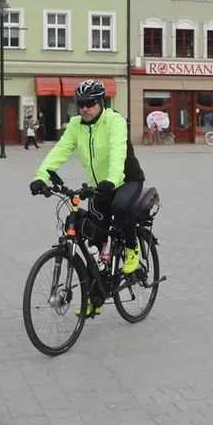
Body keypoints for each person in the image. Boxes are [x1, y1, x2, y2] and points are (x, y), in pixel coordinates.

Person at [30, 79, 146, 283]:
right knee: (93, 237)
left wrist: (111, 179)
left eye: (90, 103)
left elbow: (117, 152)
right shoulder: (76, 125)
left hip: (126, 180)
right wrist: (41, 176)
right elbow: (60, 150)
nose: (85, 109)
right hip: (100, 187)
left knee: (120, 206)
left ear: (101, 102)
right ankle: (95, 297)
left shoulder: (114, 121)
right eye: (80, 104)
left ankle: (131, 248)